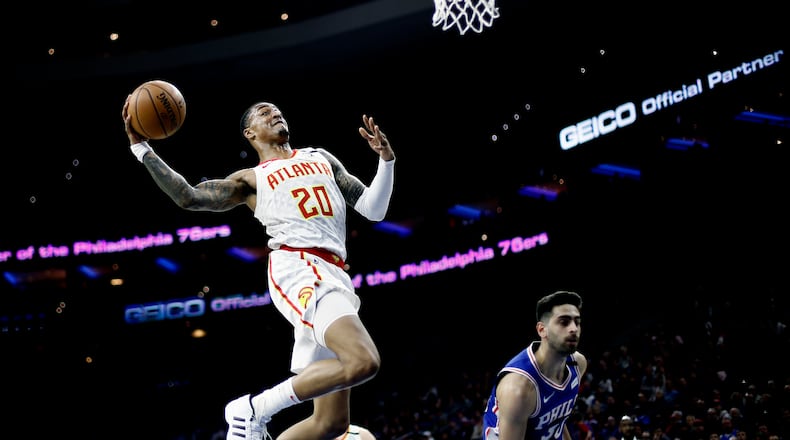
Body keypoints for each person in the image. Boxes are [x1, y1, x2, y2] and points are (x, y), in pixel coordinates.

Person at [122, 99, 396, 440]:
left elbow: (373, 209)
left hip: (334, 272)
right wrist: (141, 148)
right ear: (250, 133)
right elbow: (188, 196)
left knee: (331, 424)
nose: (275, 113)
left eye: (278, 110)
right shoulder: (251, 179)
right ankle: (252, 409)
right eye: (264, 112)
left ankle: (256, 418)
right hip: (299, 269)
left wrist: (386, 161)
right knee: (364, 361)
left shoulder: (320, 158)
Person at [481, 290, 588, 440]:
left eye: (577, 322)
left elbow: (556, 421)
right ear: (542, 330)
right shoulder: (519, 389)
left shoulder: (578, 364)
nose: (574, 329)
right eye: (564, 322)